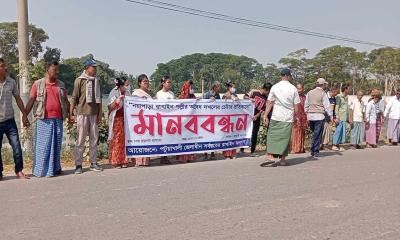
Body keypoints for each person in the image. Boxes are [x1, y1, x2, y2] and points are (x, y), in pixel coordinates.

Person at [25, 61, 70, 177]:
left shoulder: (61, 85)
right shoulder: (38, 84)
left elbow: (66, 101)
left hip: (58, 120)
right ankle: (40, 171)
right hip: (43, 119)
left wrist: (70, 115)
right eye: (55, 70)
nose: (57, 72)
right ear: (47, 70)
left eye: (57, 70)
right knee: (43, 147)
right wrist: (25, 116)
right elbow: (31, 101)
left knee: (56, 146)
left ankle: (55, 169)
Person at [260, 68, 300, 167]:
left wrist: (265, 115)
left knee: (272, 136)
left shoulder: (275, 87)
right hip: (287, 117)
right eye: (290, 76)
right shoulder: (293, 88)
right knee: (285, 139)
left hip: (276, 116)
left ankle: (270, 156)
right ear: (287, 76)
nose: (290, 77)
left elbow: (270, 102)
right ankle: (282, 160)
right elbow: (296, 105)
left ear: (281, 76)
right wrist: (296, 116)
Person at [70, 59, 103, 174]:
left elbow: (99, 100)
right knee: (80, 139)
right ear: (87, 68)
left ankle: (93, 162)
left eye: (95, 67)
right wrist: (71, 113)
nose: (95, 69)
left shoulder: (97, 81)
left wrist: (100, 114)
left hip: (94, 114)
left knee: (94, 139)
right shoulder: (80, 80)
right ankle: (78, 164)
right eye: (93, 67)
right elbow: (74, 97)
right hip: (82, 113)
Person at [0, 58, 29, 180]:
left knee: (16, 146)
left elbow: (18, 99)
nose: (4, 68)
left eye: (4, 65)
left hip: (10, 121)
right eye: (1, 66)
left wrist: (24, 115)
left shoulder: (11, 82)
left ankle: (19, 171)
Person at [304, 78, 333, 159]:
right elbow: (327, 106)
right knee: (317, 134)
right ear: (323, 85)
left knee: (314, 133)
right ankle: (315, 151)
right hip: (319, 115)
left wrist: (306, 113)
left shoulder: (309, 92)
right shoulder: (323, 93)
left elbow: (306, 104)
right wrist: (330, 116)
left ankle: (313, 149)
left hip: (310, 115)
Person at [243, 82, 272, 157]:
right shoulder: (254, 92)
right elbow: (244, 97)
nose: (268, 93)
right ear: (265, 89)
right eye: (268, 91)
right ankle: (242, 149)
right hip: (248, 116)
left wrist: (257, 115)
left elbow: (263, 109)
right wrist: (251, 99)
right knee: (246, 132)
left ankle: (252, 151)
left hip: (256, 117)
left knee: (255, 134)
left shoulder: (266, 97)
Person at [107, 77, 130, 168]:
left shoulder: (128, 93)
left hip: (126, 119)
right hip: (116, 119)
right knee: (116, 139)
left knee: (125, 140)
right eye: (126, 85)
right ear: (121, 85)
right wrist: (117, 101)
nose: (127, 87)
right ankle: (115, 160)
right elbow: (110, 107)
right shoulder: (113, 92)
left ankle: (124, 160)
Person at [132, 74, 153, 167]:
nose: (147, 83)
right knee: (140, 140)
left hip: (148, 120)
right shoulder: (136, 93)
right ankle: (138, 161)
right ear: (139, 83)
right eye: (144, 82)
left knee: (147, 140)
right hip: (139, 121)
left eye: (147, 81)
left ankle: (145, 161)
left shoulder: (148, 94)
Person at [155, 75, 175, 164]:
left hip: (171, 119)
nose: (169, 84)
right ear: (163, 83)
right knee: (162, 138)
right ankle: (163, 157)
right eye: (168, 82)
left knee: (168, 138)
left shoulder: (172, 94)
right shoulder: (159, 94)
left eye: (170, 82)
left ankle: (166, 156)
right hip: (162, 119)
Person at [177, 80, 197, 163]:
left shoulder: (193, 97)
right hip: (182, 122)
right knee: (183, 140)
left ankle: (190, 157)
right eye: (190, 87)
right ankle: (183, 157)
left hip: (191, 122)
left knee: (191, 139)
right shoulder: (181, 97)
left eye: (192, 87)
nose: (191, 89)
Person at [203, 81, 222, 160]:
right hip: (206, 118)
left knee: (213, 136)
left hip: (214, 118)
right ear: (214, 87)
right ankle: (205, 154)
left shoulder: (218, 95)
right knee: (206, 136)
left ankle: (212, 153)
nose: (219, 88)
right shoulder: (207, 94)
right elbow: (202, 103)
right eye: (218, 86)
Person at [221, 82, 239, 159]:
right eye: (232, 87)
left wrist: (238, 100)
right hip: (226, 120)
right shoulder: (225, 95)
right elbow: (222, 104)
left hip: (233, 119)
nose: (233, 89)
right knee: (227, 137)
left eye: (234, 87)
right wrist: (227, 98)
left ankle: (233, 153)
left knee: (233, 137)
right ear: (229, 88)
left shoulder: (235, 96)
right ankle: (226, 154)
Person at [332, 84, 351, 151]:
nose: (350, 90)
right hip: (340, 117)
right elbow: (336, 107)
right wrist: (337, 117)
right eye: (349, 88)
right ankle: (334, 145)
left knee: (342, 132)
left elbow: (347, 108)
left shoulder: (347, 97)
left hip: (344, 117)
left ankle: (339, 145)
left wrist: (348, 118)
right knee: (338, 131)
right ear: (345, 89)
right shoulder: (339, 97)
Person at [290, 83, 307, 154]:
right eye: (298, 89)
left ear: (303, 89)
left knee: (302, 132)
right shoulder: (293, 97)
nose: (299, 90)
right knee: (294, 132)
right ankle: (293, 149)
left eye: (300, 89)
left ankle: (300, 148)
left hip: (303, 117)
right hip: (295, 116)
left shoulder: (305, 97)